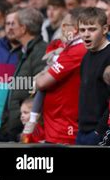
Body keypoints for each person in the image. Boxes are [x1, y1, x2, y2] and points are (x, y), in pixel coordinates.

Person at [34, 9, 87, 144]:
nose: (61, 30)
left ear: (74, 29)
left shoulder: (77, 50)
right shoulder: (67, 48)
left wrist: (39, 77)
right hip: (55, 126)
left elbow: (41, 83)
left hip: (64, 129)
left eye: (65, 25)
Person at [0, 7, 47, 141]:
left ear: (23, 28)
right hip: (13, 125)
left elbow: (39, 88)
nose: (10, 28)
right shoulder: (26, 51)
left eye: (14, 24)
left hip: (25, 128)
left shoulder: (41, 51)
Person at [75, 7, 110, 145]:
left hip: (99, 132)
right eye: (82, 30)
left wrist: (99, 131)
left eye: (92, 29)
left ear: (105, 29)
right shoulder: (87, 56)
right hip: (82, 130)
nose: (86, 34)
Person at [0, 8, 21, 139]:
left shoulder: (29, 52)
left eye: (15, 24)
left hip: (13, 124)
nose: (10, 28)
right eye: (8, 24)